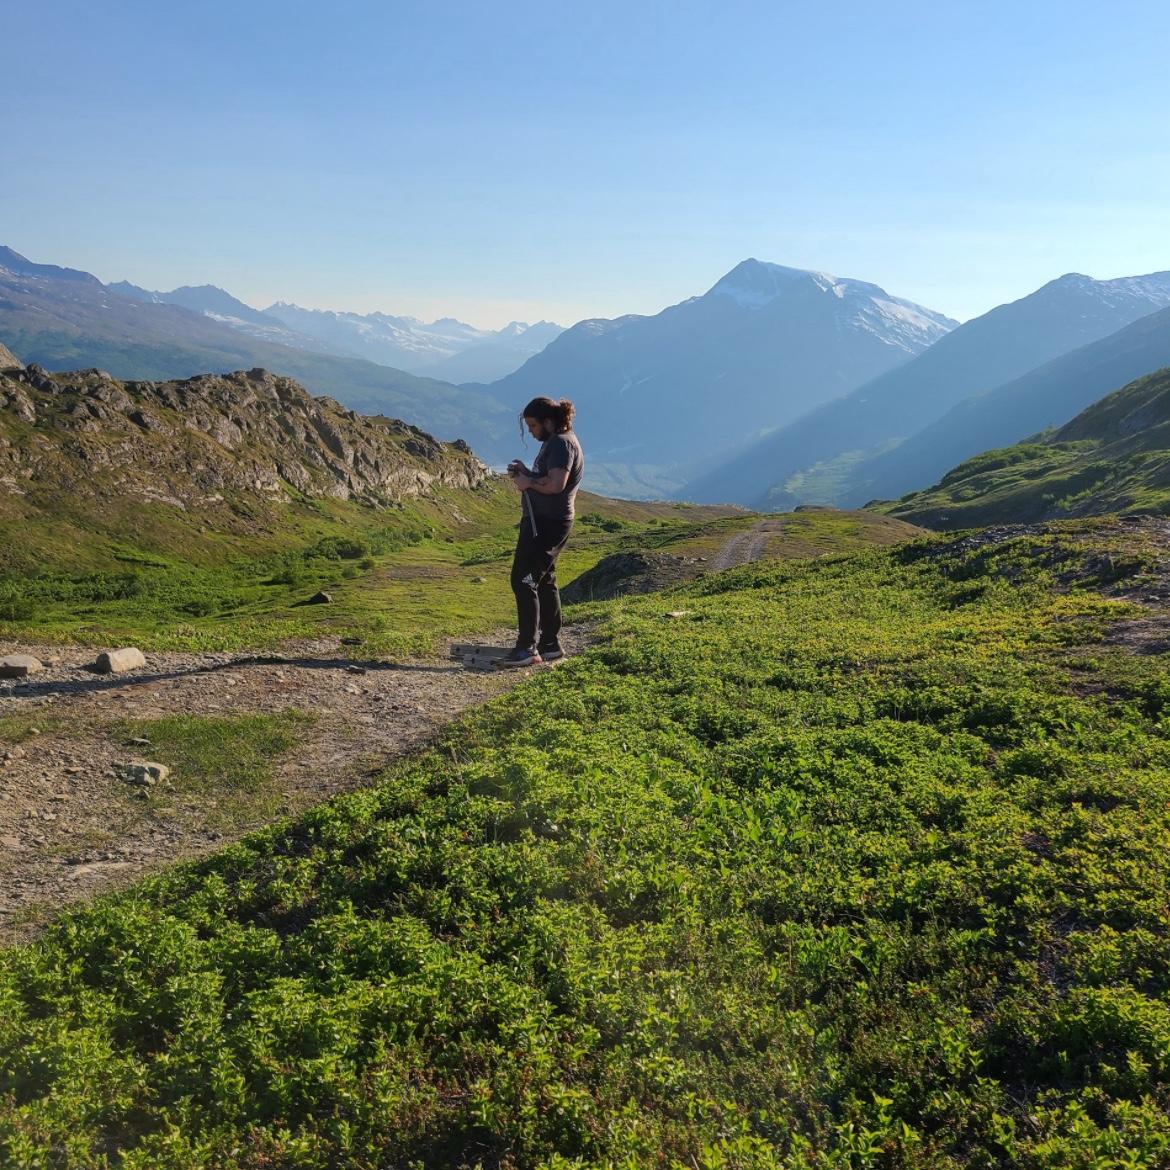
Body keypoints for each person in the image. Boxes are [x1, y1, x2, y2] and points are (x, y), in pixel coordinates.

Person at [500, 396, 584, 667]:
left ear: (549, 421)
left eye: (534, 426)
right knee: (545, 580)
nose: (532, 432)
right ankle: (550, 644)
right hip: (550, 520)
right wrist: (527, 473)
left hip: (547, 522)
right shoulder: (560, 441)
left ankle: (527, 649)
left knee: (524, 579)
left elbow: (556, 484)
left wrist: (527, 483)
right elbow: (547, 478)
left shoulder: (561, 444)